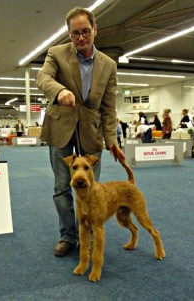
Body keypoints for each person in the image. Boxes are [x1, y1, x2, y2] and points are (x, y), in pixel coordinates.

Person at [36, 6, 125, 257]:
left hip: (92, 132)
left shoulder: (109, 65)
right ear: (69, 33)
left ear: (95, 30)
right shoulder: (56, 53)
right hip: (60, 128)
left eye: (86, 32)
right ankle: (68, 236)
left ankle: (92, 231)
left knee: (92, 188)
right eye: (75, 34)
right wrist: (58, 91)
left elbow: (109, 107)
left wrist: (112, 140)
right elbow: (42, 78)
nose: (81, 38)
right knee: (62, 186)